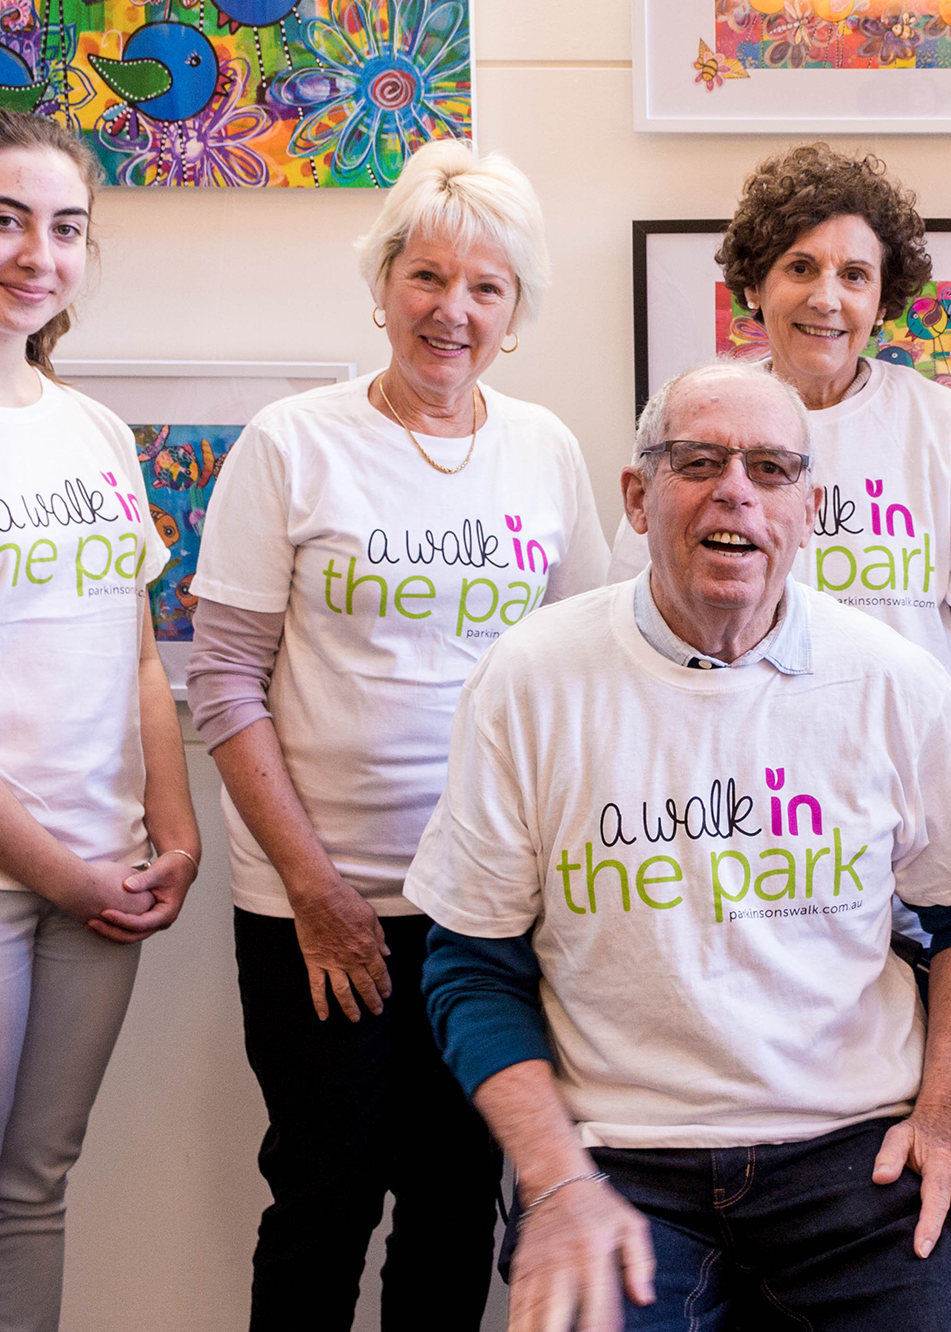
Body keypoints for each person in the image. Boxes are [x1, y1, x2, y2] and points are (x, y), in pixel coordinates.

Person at [408, 360, 951, 1330]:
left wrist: (944, 1120)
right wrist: (552, 1176)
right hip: (618, 1157)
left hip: (853, 1151)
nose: (737, 490)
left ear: (808, 509)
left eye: (771, 469)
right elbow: (471, 965)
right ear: (636, 497)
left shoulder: (891, 683)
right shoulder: (530, 680)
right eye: (698, 462)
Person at [186, 141, 609, 1330]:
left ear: (515, 312)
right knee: (323, 1196)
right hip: (322, 909)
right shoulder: (292, 444)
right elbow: (224, 684)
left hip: (489, 909)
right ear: (382, 285)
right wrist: (315, 890)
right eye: (426, 275)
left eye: (485, 286)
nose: (451, 309)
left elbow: (583, 671)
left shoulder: (543, 450)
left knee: (456, 1200)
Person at [0, 111, 202, 1329]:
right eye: (5, 220)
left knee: (34, 1190)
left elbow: (137, 657)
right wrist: (60, 870)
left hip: (102, 873)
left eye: (66, 228)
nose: (38, 254)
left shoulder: (90, 429)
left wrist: (174, 832)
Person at [610, 143, 951, 821]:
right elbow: (631, 624)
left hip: (911, 800)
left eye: (855, 275)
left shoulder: (945, 428)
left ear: (882, 298)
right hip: (730, 804)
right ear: (755, 286)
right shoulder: (696, 418)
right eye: (800, 267)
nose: (826, 298)